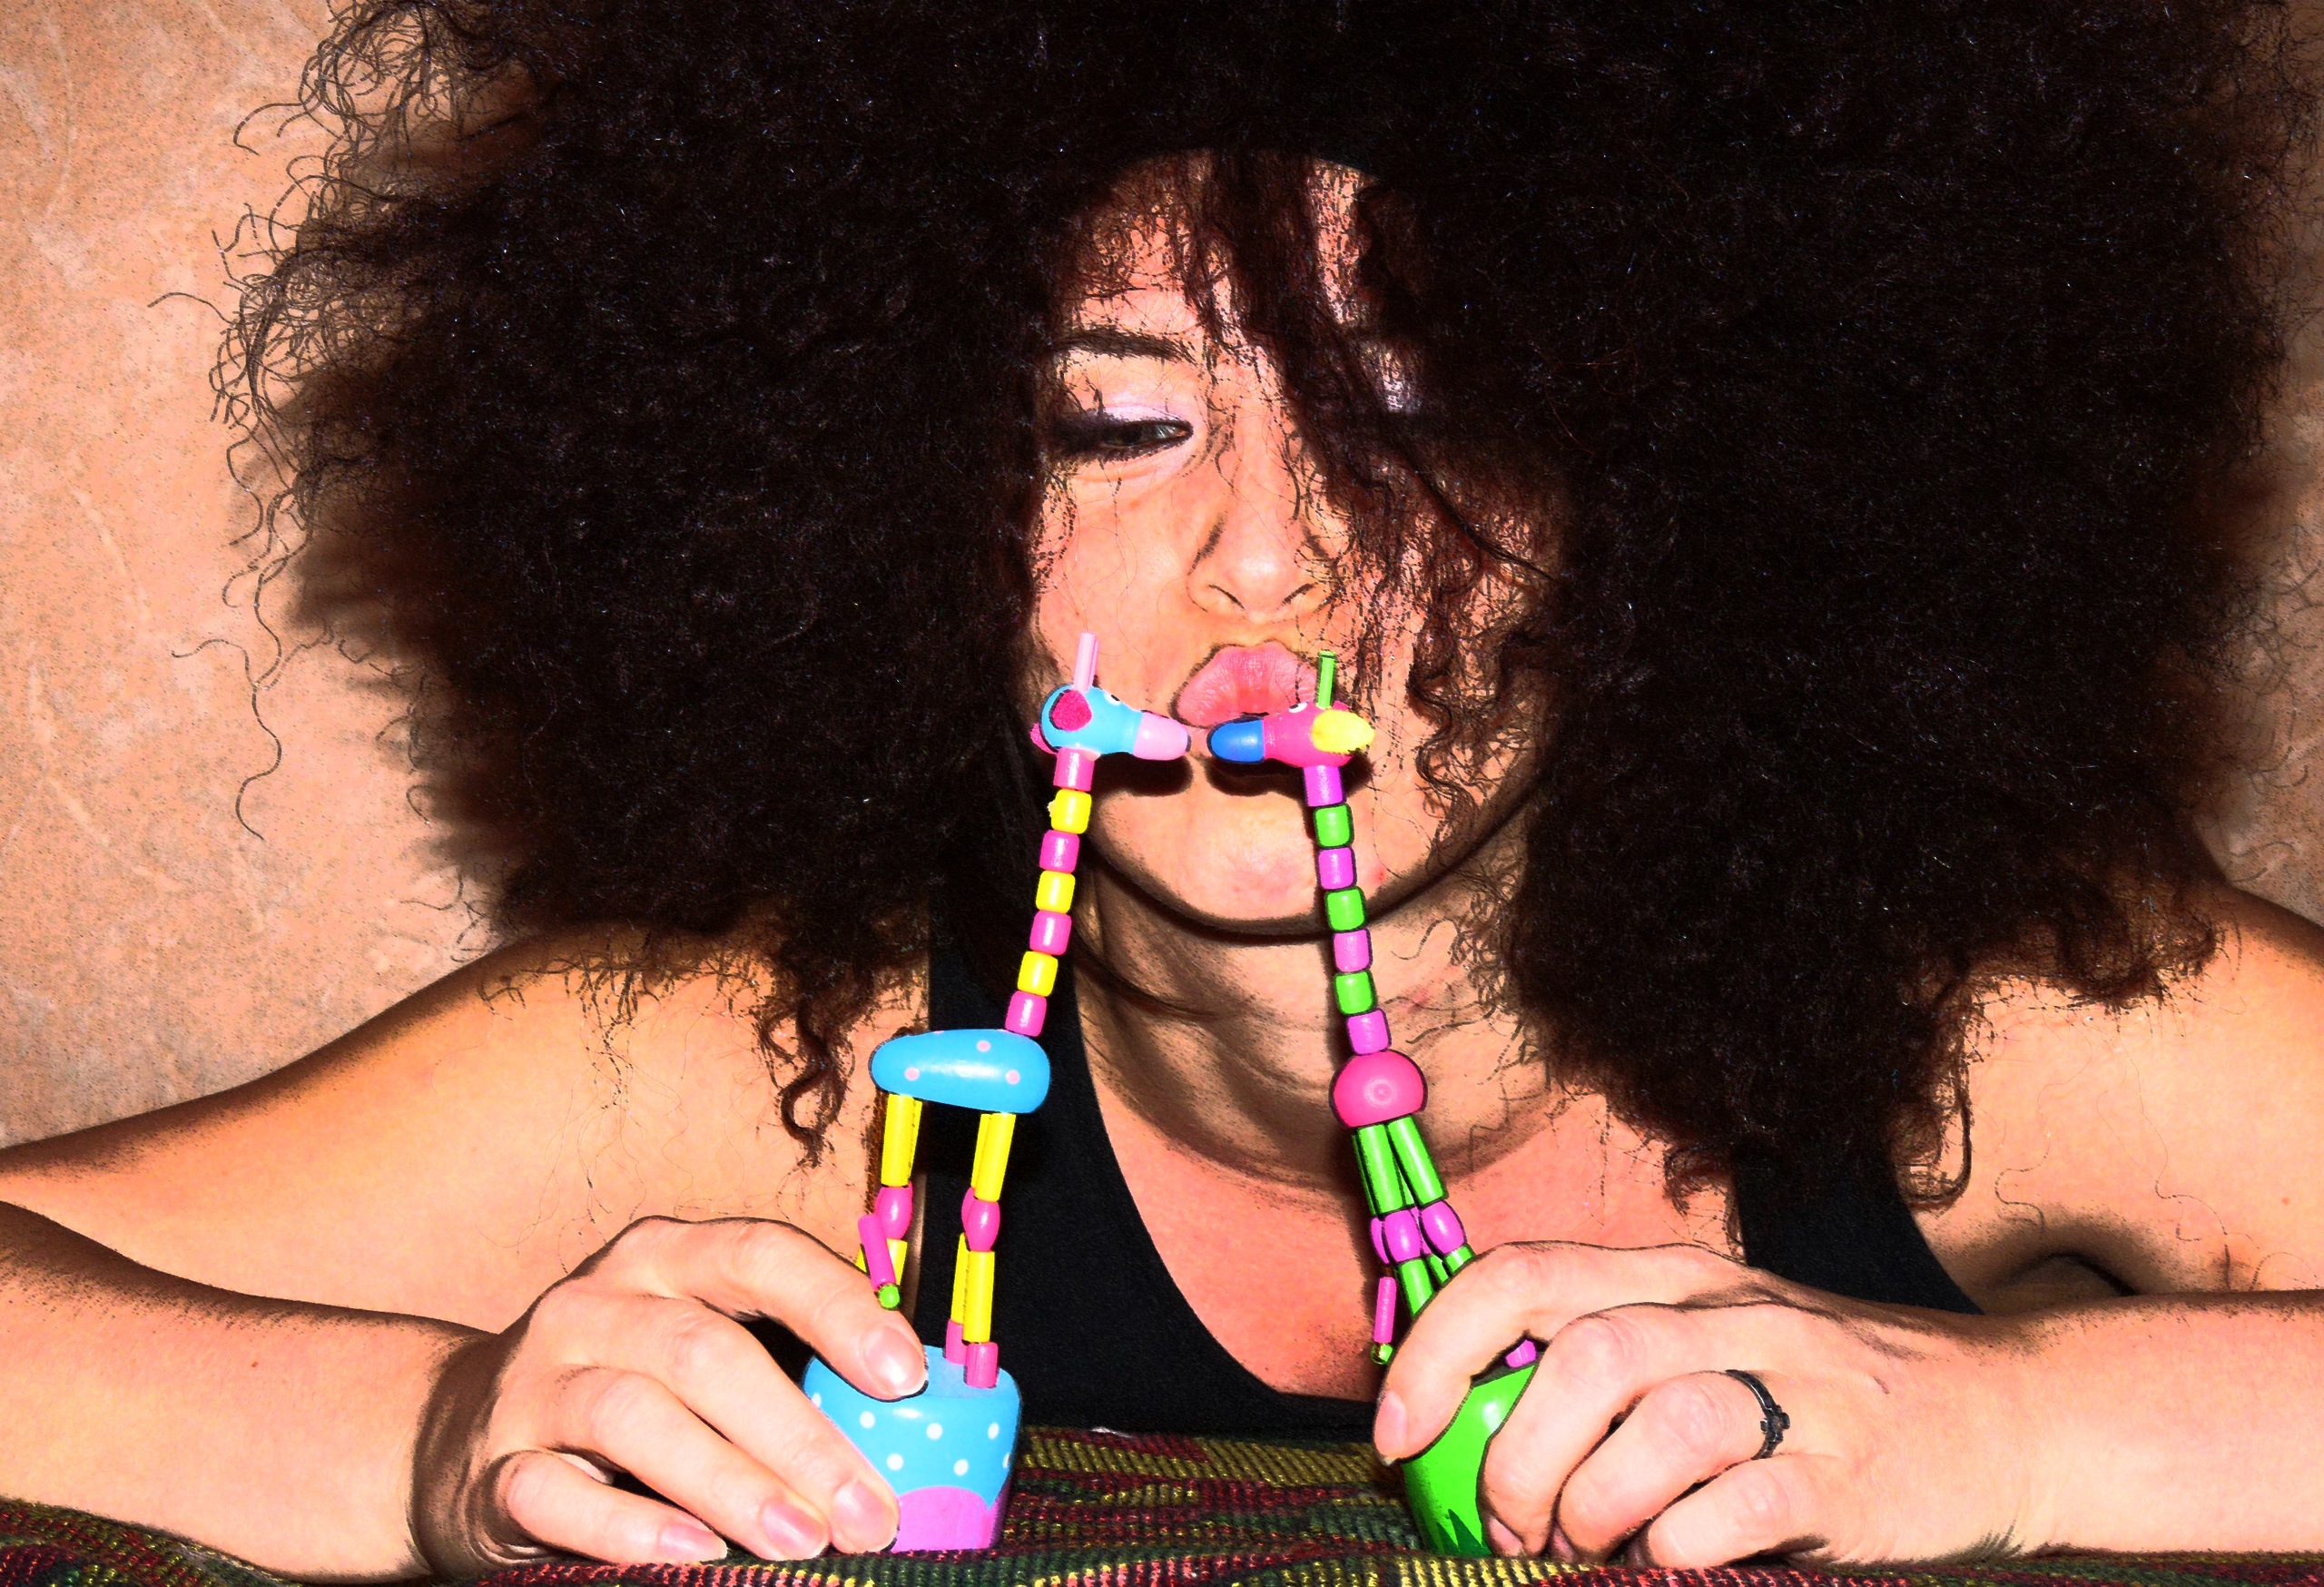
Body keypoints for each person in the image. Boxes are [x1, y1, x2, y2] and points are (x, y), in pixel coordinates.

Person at [5, 0, 2324, 1576]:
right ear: (903, 502)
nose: (1264, 556)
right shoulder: (796, 1060)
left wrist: (2025, 1425)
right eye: (1113, 422)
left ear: (1664, 498)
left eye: (1420, 415)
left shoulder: (1981, 1006)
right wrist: (418, 1443)